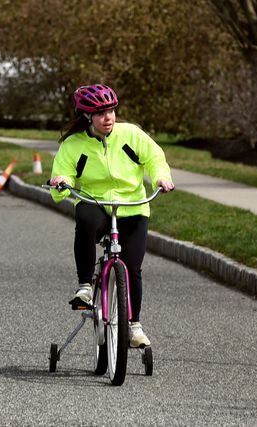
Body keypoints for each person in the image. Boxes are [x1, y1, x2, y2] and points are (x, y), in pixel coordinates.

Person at [48, 84, 174, 348]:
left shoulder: (131, 134)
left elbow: (155, 158)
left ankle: (134, 326)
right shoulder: (73, 144)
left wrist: (161, 178)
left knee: (132, 269)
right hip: (96, 202)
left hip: (133, 206)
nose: (108, 118)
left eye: (111, 111)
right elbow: (64, 171)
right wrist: (61, 181)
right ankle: (85, 286)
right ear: (87, 116)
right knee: (85, 219)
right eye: (100, 113)